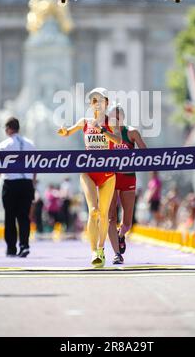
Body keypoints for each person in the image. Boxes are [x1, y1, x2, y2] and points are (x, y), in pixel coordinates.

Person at [57, 87, 122, 268]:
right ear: (90, 104)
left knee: (103, 213)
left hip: (108, 174)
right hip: (88, 172)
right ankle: (93, 251)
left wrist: (103, 131)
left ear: (106, 103)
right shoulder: (84, 122)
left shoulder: (112, 122)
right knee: (93, 211)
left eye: (100, 100)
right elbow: (69, 132)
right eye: (93, 100)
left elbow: (118, 140)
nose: (97, 103)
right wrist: (64, 131)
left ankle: (101, 249)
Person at [0, 117, 36, 257]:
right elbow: (35, 166)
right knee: (24, 217)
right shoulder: (30, 144)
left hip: (11, 183)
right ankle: (24, 245)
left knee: (10, 217)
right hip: (26, 183)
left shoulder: (4, 145)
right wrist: (32, 183)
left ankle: (11, 248)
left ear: (8, 129)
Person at [108, 104, 147, 264]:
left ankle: (121, 235)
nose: (115, 120)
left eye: (118, 117)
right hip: (110, 178)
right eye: (112, 117)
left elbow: (146, 153)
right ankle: (117, 253)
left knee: (127, 222)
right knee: (111, 217)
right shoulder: (105, 133)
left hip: (128, 178)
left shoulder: (131, 132)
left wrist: (131, 156)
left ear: (122, 118)